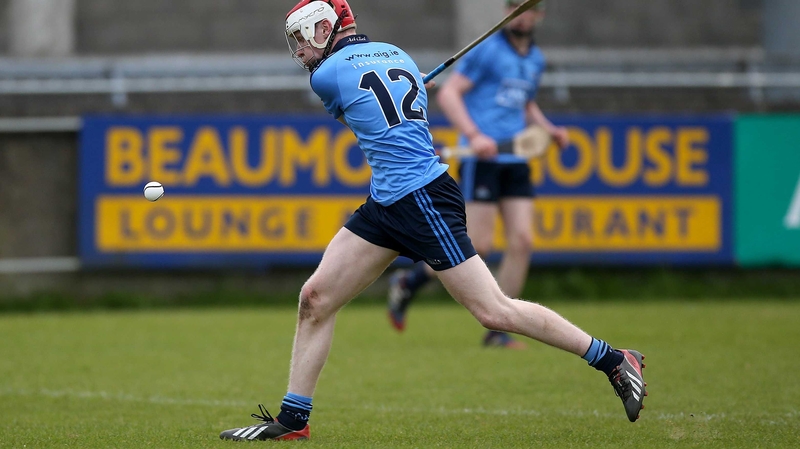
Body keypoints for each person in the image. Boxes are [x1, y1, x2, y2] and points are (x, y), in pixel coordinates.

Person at [219, 0, 646, 441]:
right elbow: (392, 100)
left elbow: (353, 98)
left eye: (302, 38)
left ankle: (613, 359)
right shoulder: (398, 55)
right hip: (388, 201)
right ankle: (293, 421)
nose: (300, 51)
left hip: (422, 198)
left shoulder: (325, 77)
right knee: (316, 298)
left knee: (493, 311)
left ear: (325, 27)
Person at [387, 0, 569, 349]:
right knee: (478, 246)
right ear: (508, 12)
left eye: (530, 9)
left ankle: (499, 330)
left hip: (516, 159)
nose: (524, 14)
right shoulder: (487, 51)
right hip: (481, 159)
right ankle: (409, 283)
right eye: (517, 7)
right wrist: (474, 135)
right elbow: (450, 94)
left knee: (523, 242)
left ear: (539, 15)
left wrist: (549, 129)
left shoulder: (535, 60)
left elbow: (525, 103)